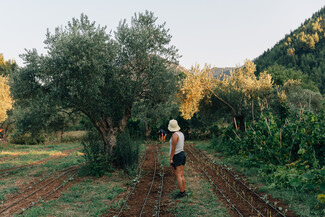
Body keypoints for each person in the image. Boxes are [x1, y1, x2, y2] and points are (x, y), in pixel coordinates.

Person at [168, 119, 186, 198]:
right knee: (181, 174)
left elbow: (173, 148)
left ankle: (181, 193)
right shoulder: (181, 134)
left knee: (178, 175)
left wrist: (171, 159)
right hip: (182, 154)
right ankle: (183, 191)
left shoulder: (174, 135)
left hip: (177, 155)